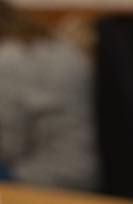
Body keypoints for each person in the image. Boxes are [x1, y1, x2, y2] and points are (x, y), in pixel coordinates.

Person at [0, 2, 97, 190]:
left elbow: (8, 147)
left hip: (48, 176)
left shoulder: (8, 61)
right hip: (88, 167)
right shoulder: (63, 48)